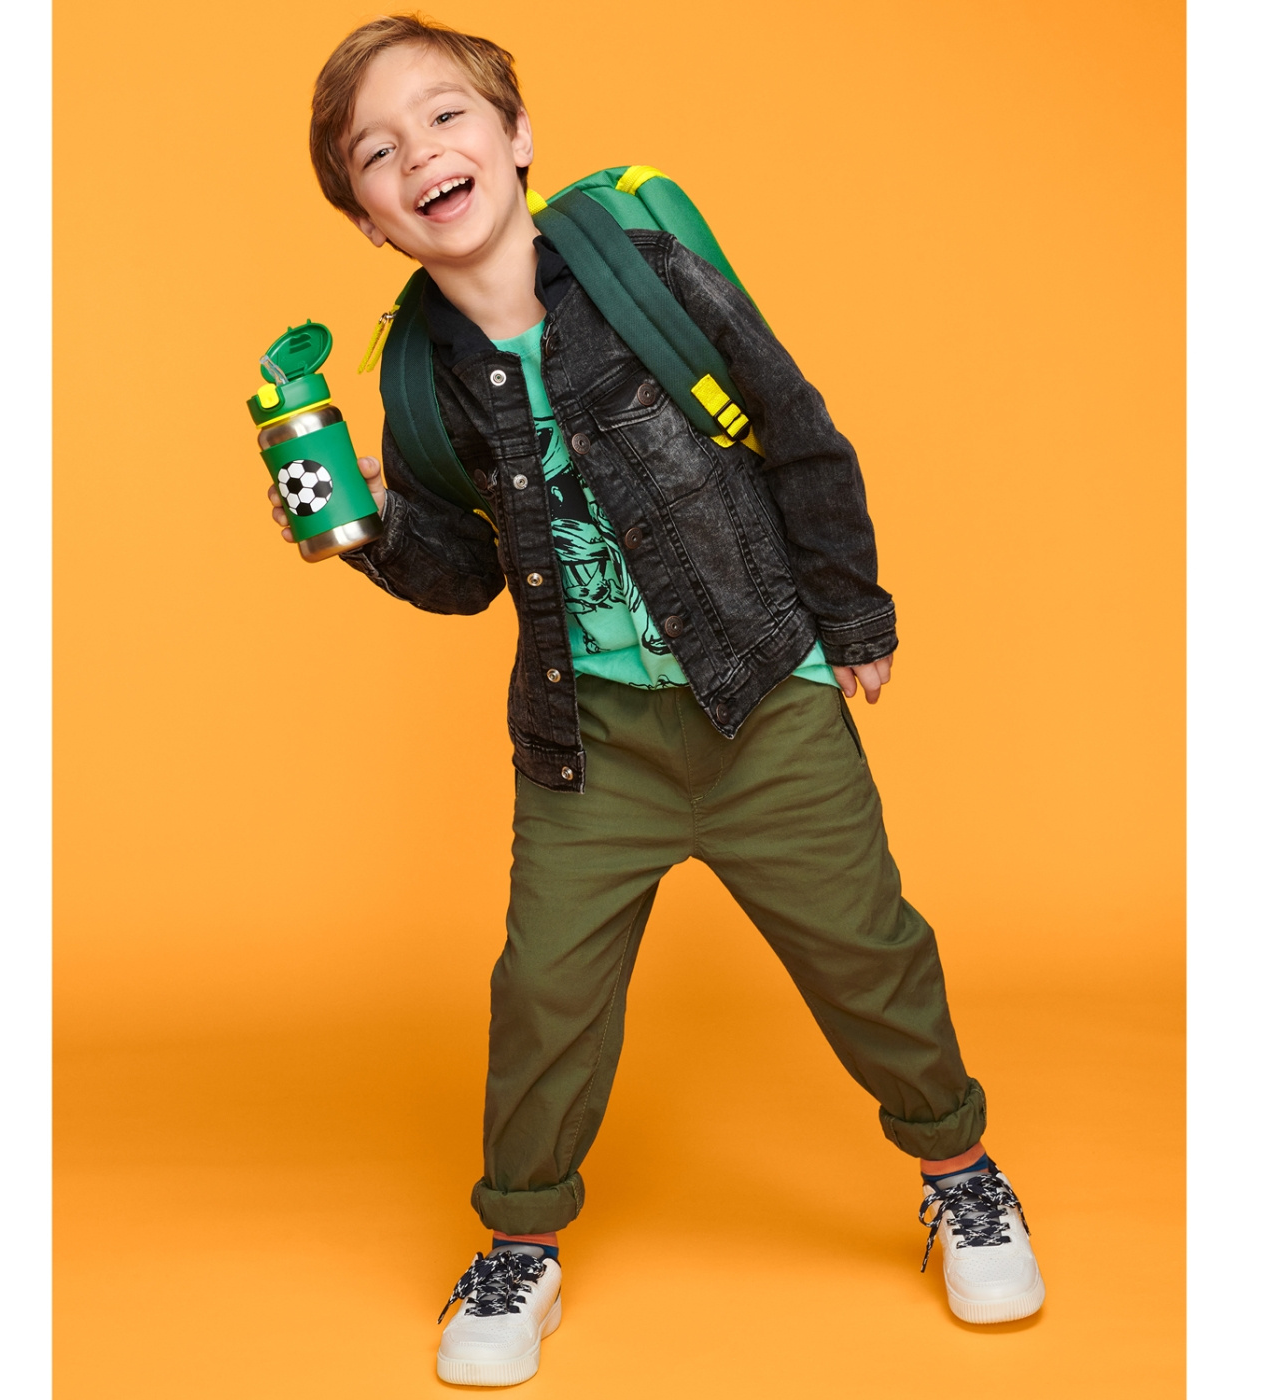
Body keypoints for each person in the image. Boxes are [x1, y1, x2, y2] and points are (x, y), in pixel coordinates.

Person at [272, 14, 1045, 1386]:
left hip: (765, 698)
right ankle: (521, 1245)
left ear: (515, 136)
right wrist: (371, 527)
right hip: (590, 742)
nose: (419, 154)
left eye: (445, 116)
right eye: (375, 154)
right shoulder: (415, 375)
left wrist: (854, 614)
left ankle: (961, 1172)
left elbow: (796, 426)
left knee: (866, 951)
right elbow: (465, 581)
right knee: (545, 994)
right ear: (370, 221)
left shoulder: (640, 266)